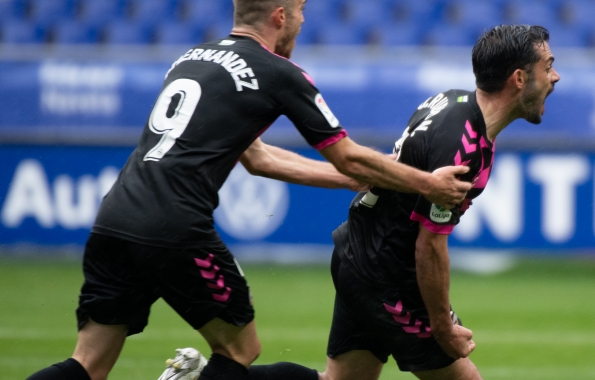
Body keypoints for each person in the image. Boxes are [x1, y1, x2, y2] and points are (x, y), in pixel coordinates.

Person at [25, 0, 473, 379]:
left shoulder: (193, 57)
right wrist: (426, 183)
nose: (302, 20)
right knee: (240, 350)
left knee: (89, 361)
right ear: (280, 16)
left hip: (115, 217)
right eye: (299, 11)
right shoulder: (277, 72)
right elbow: (348, 154)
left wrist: (356, 180)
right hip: (175, 224)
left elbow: (258, 158)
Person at [319, 25, 560, 380]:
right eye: (548, 65)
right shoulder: (463, 149)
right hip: (382, 272)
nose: (555, 76)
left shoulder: (450, 100)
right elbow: (429, 246)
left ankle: (219, 372)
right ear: (520, 78)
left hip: (359, 251)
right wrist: (441, 325)